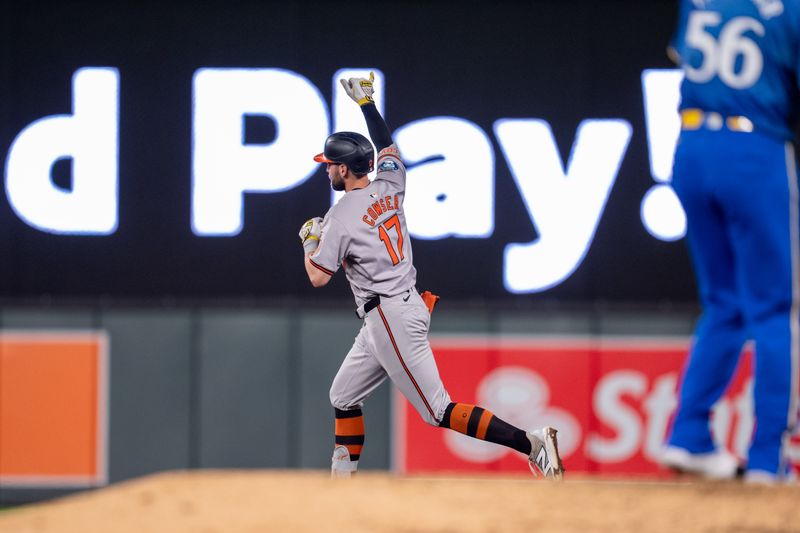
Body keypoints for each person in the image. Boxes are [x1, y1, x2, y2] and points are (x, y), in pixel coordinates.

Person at [298, 73, 564, 479]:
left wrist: (308, 242)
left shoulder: (340, 218)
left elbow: (317, 277)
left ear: (346, 170)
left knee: (437, 410)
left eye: (330, 165)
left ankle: (532, 443)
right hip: (392, 309)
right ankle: (341, 488)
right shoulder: (392, 181)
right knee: (344, 395)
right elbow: (387, 145)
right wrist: (367, 105)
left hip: (389, 315)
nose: (326, 171)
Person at [660, 0, 800, 484]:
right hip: (753, 149)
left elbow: (687, 55)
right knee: (775, 309)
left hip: (692, 147)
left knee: (725, 304)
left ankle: (688, 435)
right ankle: (767, 460)